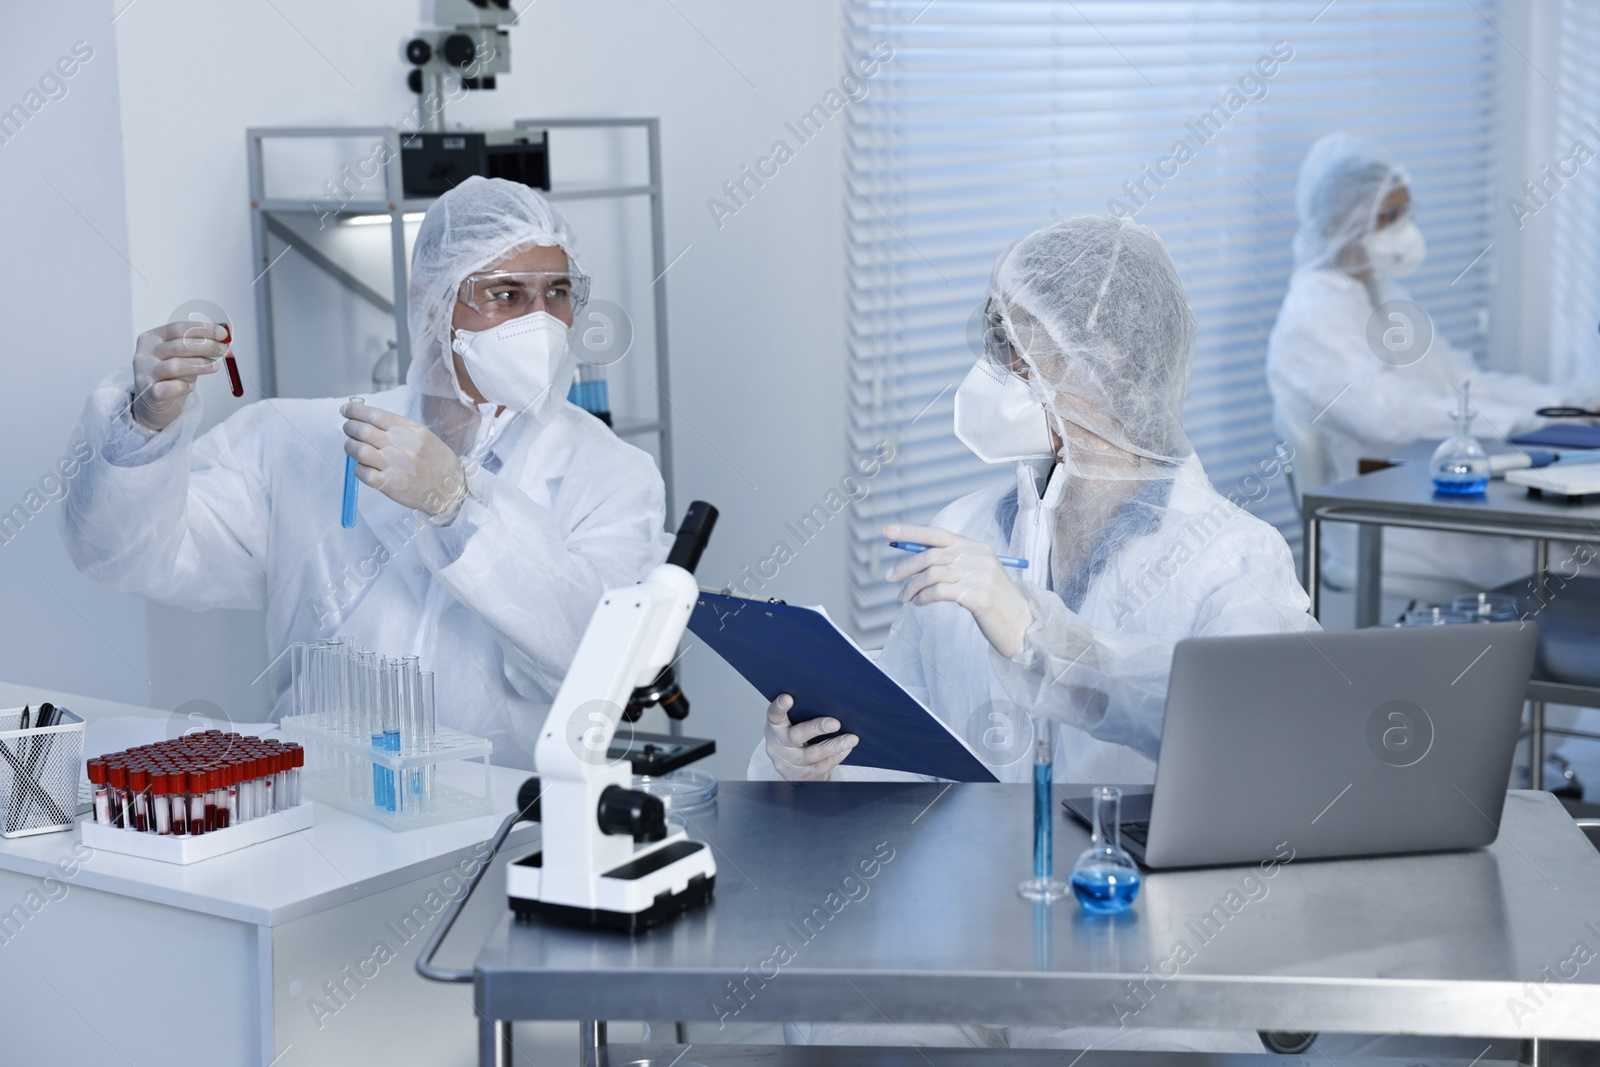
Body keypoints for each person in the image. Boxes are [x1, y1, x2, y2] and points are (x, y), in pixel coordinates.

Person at [751, 215, 1316, 1054]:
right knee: (827, 1004)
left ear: (1112, 357)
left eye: (1016, 347)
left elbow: (1256, 740)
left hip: (1138, 948)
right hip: (961, 922)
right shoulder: (966, 528)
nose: (992, 372)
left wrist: (1042, 637)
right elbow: (904, 723)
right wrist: (804, 754)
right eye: (993, 341)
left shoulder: (1230, 555)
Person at [59, 177, 669, 768]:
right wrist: (145, 423)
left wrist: (459, 506)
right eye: (506, 294)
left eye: (557, 293)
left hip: (503, 826)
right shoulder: (297, 442)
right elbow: (124, 555)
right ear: (431, 302)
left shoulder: (611, 475)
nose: (541, 322)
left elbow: (603, 658)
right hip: (322, 815)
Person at [1267, 132, 1600, 598]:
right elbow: (1390, 416)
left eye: (1404, 213)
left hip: (1429, 489)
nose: (1403, 226)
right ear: (1344, 221)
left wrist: (1565, 406)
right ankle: (1545, 666)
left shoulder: (1380, 292)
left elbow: (1461, 382)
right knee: (1572, 549)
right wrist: (1522, 422)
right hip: (1384, 515)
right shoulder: (1313, 317)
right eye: (1388, 216)